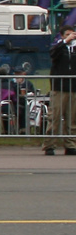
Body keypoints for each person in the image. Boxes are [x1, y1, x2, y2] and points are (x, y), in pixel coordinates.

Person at [46, 25, 76, 155]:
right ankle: (49, 145)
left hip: (73, 88)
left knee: (71, 119)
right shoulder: (59, 47)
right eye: (68, 34)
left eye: (73, 34)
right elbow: (53, 54)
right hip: (59, 88)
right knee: (55, 117)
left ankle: (70, 144)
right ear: (63, 35)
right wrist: (65, 42)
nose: (71, 36)